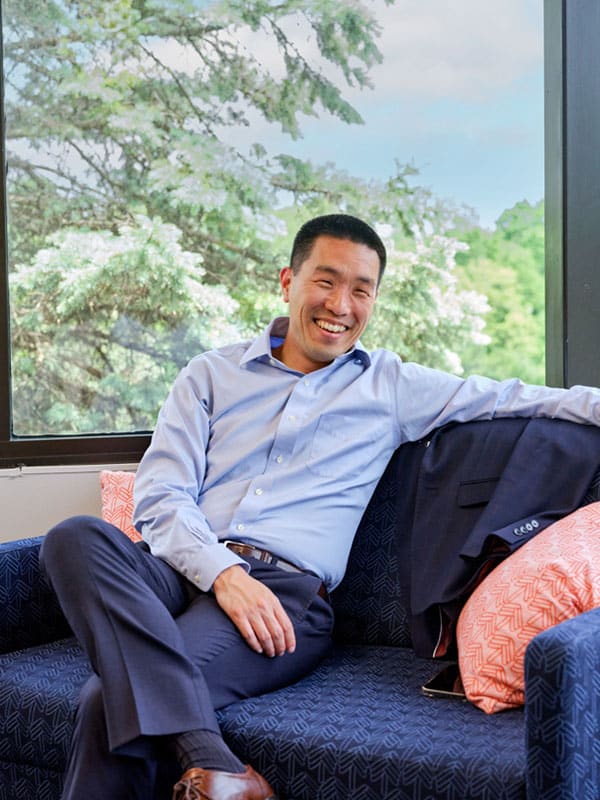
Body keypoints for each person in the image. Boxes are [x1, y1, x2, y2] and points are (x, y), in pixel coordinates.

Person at [40, 213, 600, 800]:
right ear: (288, 280)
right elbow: (160, 495)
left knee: (108, 698)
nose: (342, 304)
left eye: (362, 289)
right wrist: (224, 574)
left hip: (287, 599)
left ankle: (212, 760)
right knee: (75, 537)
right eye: (326, 281)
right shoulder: (210, 374)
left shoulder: (390, 386)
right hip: (181, 569)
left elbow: (514, 397)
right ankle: (215, 762)